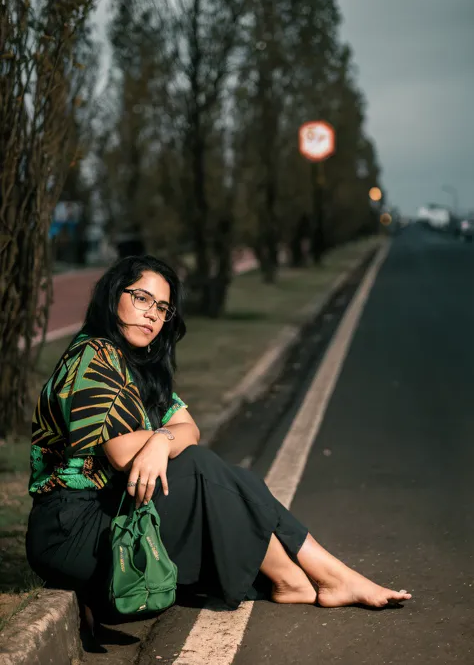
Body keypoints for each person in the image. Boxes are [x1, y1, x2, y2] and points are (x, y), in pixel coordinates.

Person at [26, 255, 411, 637]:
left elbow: (188, 427)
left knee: (219, 478)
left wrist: (163, 439)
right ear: (113, 297)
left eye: (162, 307)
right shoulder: (94, 354)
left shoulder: (138, 364)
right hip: (71, 530)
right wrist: (162, 439)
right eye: (141, 298)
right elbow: (123, 452)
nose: (152, 315)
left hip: (111, 509)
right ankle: (317, 576)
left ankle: (309, 578)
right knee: (200, 470)